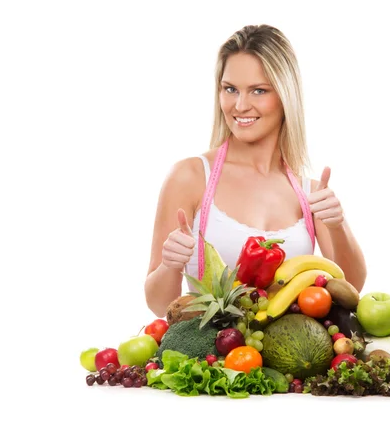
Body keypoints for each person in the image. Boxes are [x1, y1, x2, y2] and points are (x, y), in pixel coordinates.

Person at [145, 24, 367, 318]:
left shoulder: (310, 193)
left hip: (290, 360)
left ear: (286, 96)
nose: (240, 105)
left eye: (258, 91)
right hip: (212, 360)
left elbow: (351, 288)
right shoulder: (191, 176)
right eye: (230, 89)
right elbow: (160, 306)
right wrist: (170, 264)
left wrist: (337, 225)